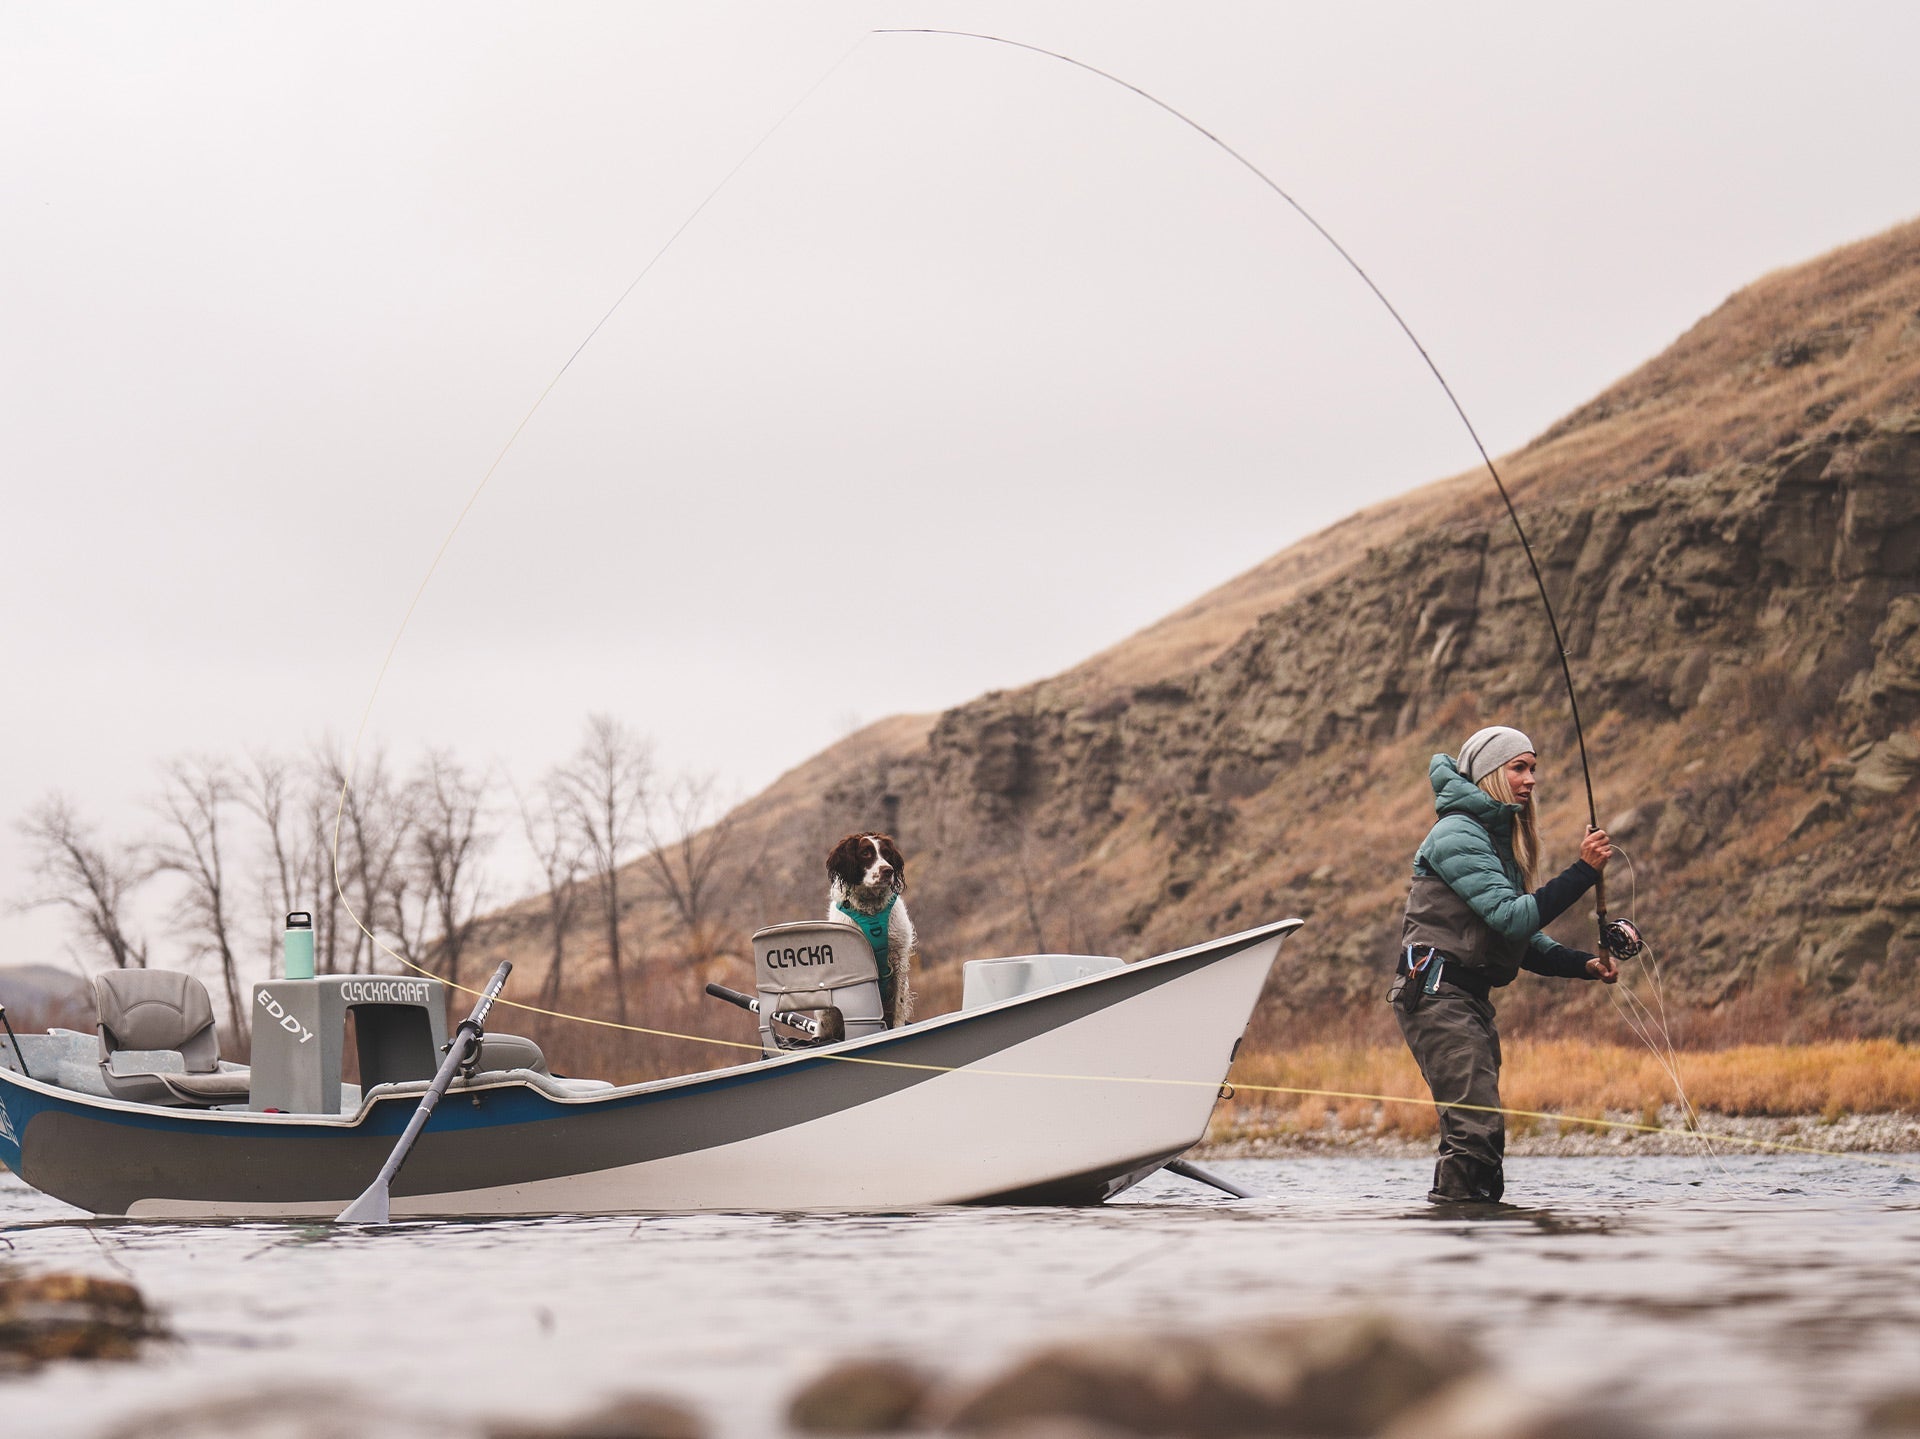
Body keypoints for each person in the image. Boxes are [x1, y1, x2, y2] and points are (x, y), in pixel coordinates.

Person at [1391, 724, 1617, 1204]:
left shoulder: (1493, 840)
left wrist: (1583, 966)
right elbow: (1512, 918)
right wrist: (1583, 873)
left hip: (1463, 999)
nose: (1531, 778)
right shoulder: (1457, 835)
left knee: (1480, 1132)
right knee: (1475, 1131)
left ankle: (1474, 1236)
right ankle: (1462, 1238)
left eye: (1533, 768)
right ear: (1491, 773)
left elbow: (1520, 937)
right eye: (1519, 767)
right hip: (1436, 995)